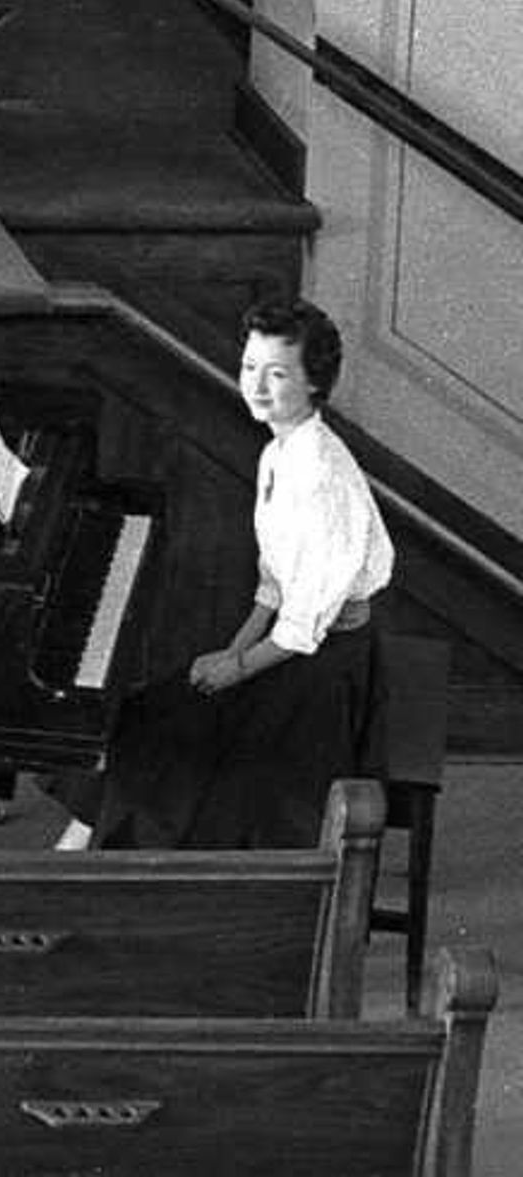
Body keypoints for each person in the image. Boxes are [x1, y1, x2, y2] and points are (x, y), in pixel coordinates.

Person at [71, 296, 396, 852]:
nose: (258, 387)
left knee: (190, 745)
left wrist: (237, 668)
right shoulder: (279, 451)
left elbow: (301, 627)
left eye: (277, 374)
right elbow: (273, 586)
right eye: (249, 368)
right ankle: (82, 847)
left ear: (315, 383)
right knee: (155, 712)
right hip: (290, 648)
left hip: (328, 670)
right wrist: (233, 651)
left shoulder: (319, 471)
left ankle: (98, 859)